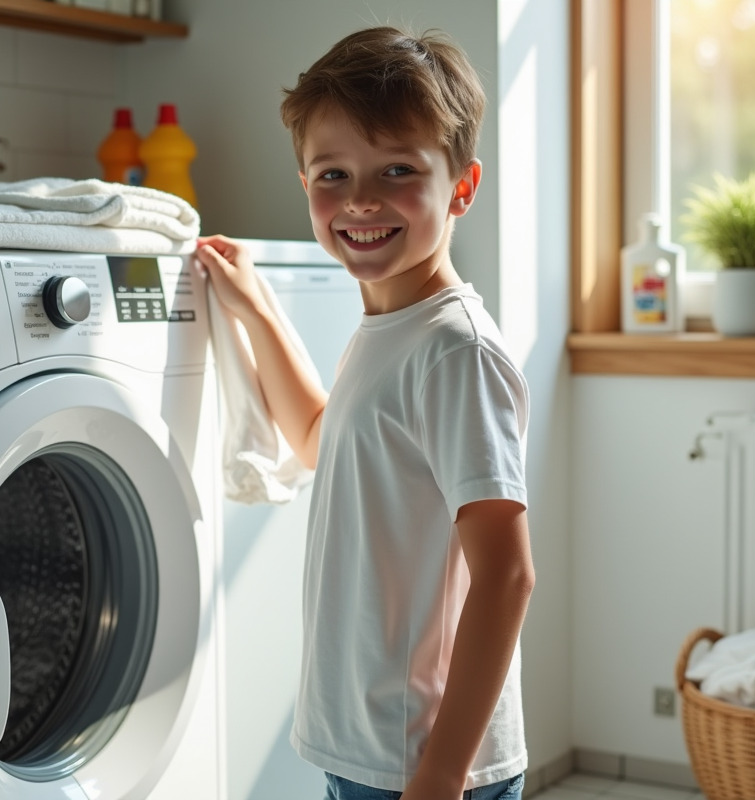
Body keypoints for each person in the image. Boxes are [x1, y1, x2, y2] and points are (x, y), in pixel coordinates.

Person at [195, 26, 534, 800]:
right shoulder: (390, 330)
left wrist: (443, 771)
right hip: (370, 743)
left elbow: (507, 576)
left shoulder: (454, 352)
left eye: (398, 170)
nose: (360, 201)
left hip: (423, 756)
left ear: (462, 187)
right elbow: (320, 440)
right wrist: (257, 311)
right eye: (332, 174)